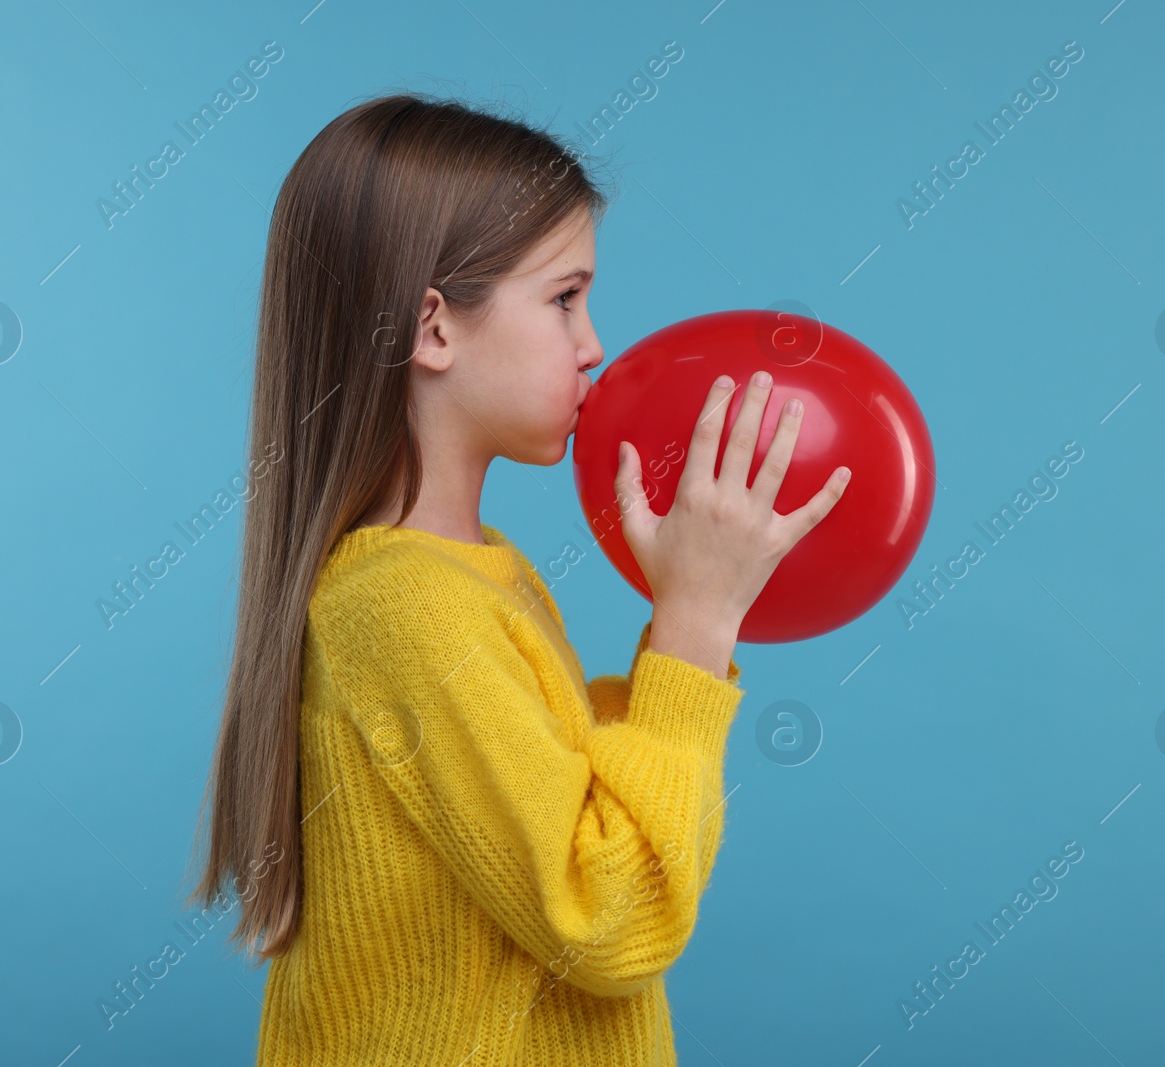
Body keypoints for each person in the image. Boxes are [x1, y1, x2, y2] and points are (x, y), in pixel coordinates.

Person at [188, 91, 850, 1066]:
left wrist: (686, 630)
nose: (593, 344)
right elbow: (610, 914)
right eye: (564, 298)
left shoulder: (471, 574)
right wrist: (694, 627)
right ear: (433, 327)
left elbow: (562, 805)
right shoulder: (405, 606)